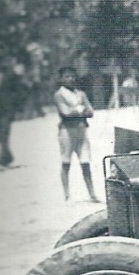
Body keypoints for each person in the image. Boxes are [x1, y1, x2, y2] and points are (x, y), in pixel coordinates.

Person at [54, 67, 99, 203]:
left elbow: (90, 112)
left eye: (72, 76)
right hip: (67, 131)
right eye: (67, 77)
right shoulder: (59, 94)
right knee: (66, 162)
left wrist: (79, 111)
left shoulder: (81, 94)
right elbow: (65, 112)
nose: (71, 79)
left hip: (81, 130)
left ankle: (92, 194)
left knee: (85, 162)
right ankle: (67, 195)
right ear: (61, 79)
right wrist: (80, 110)